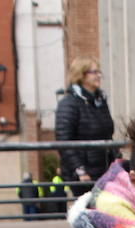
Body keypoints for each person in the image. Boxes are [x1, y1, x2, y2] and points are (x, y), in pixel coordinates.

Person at [55, 58, 119, 197]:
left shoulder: (100, 101)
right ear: (81, 75)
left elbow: (108, 134)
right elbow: (64, 141)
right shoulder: (69, 103)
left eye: (99, 71)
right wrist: (80, 170)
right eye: (93, 72)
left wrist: (116, 159)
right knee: (89, 210)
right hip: (84, 173)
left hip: (104, 168)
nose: (98, 75)